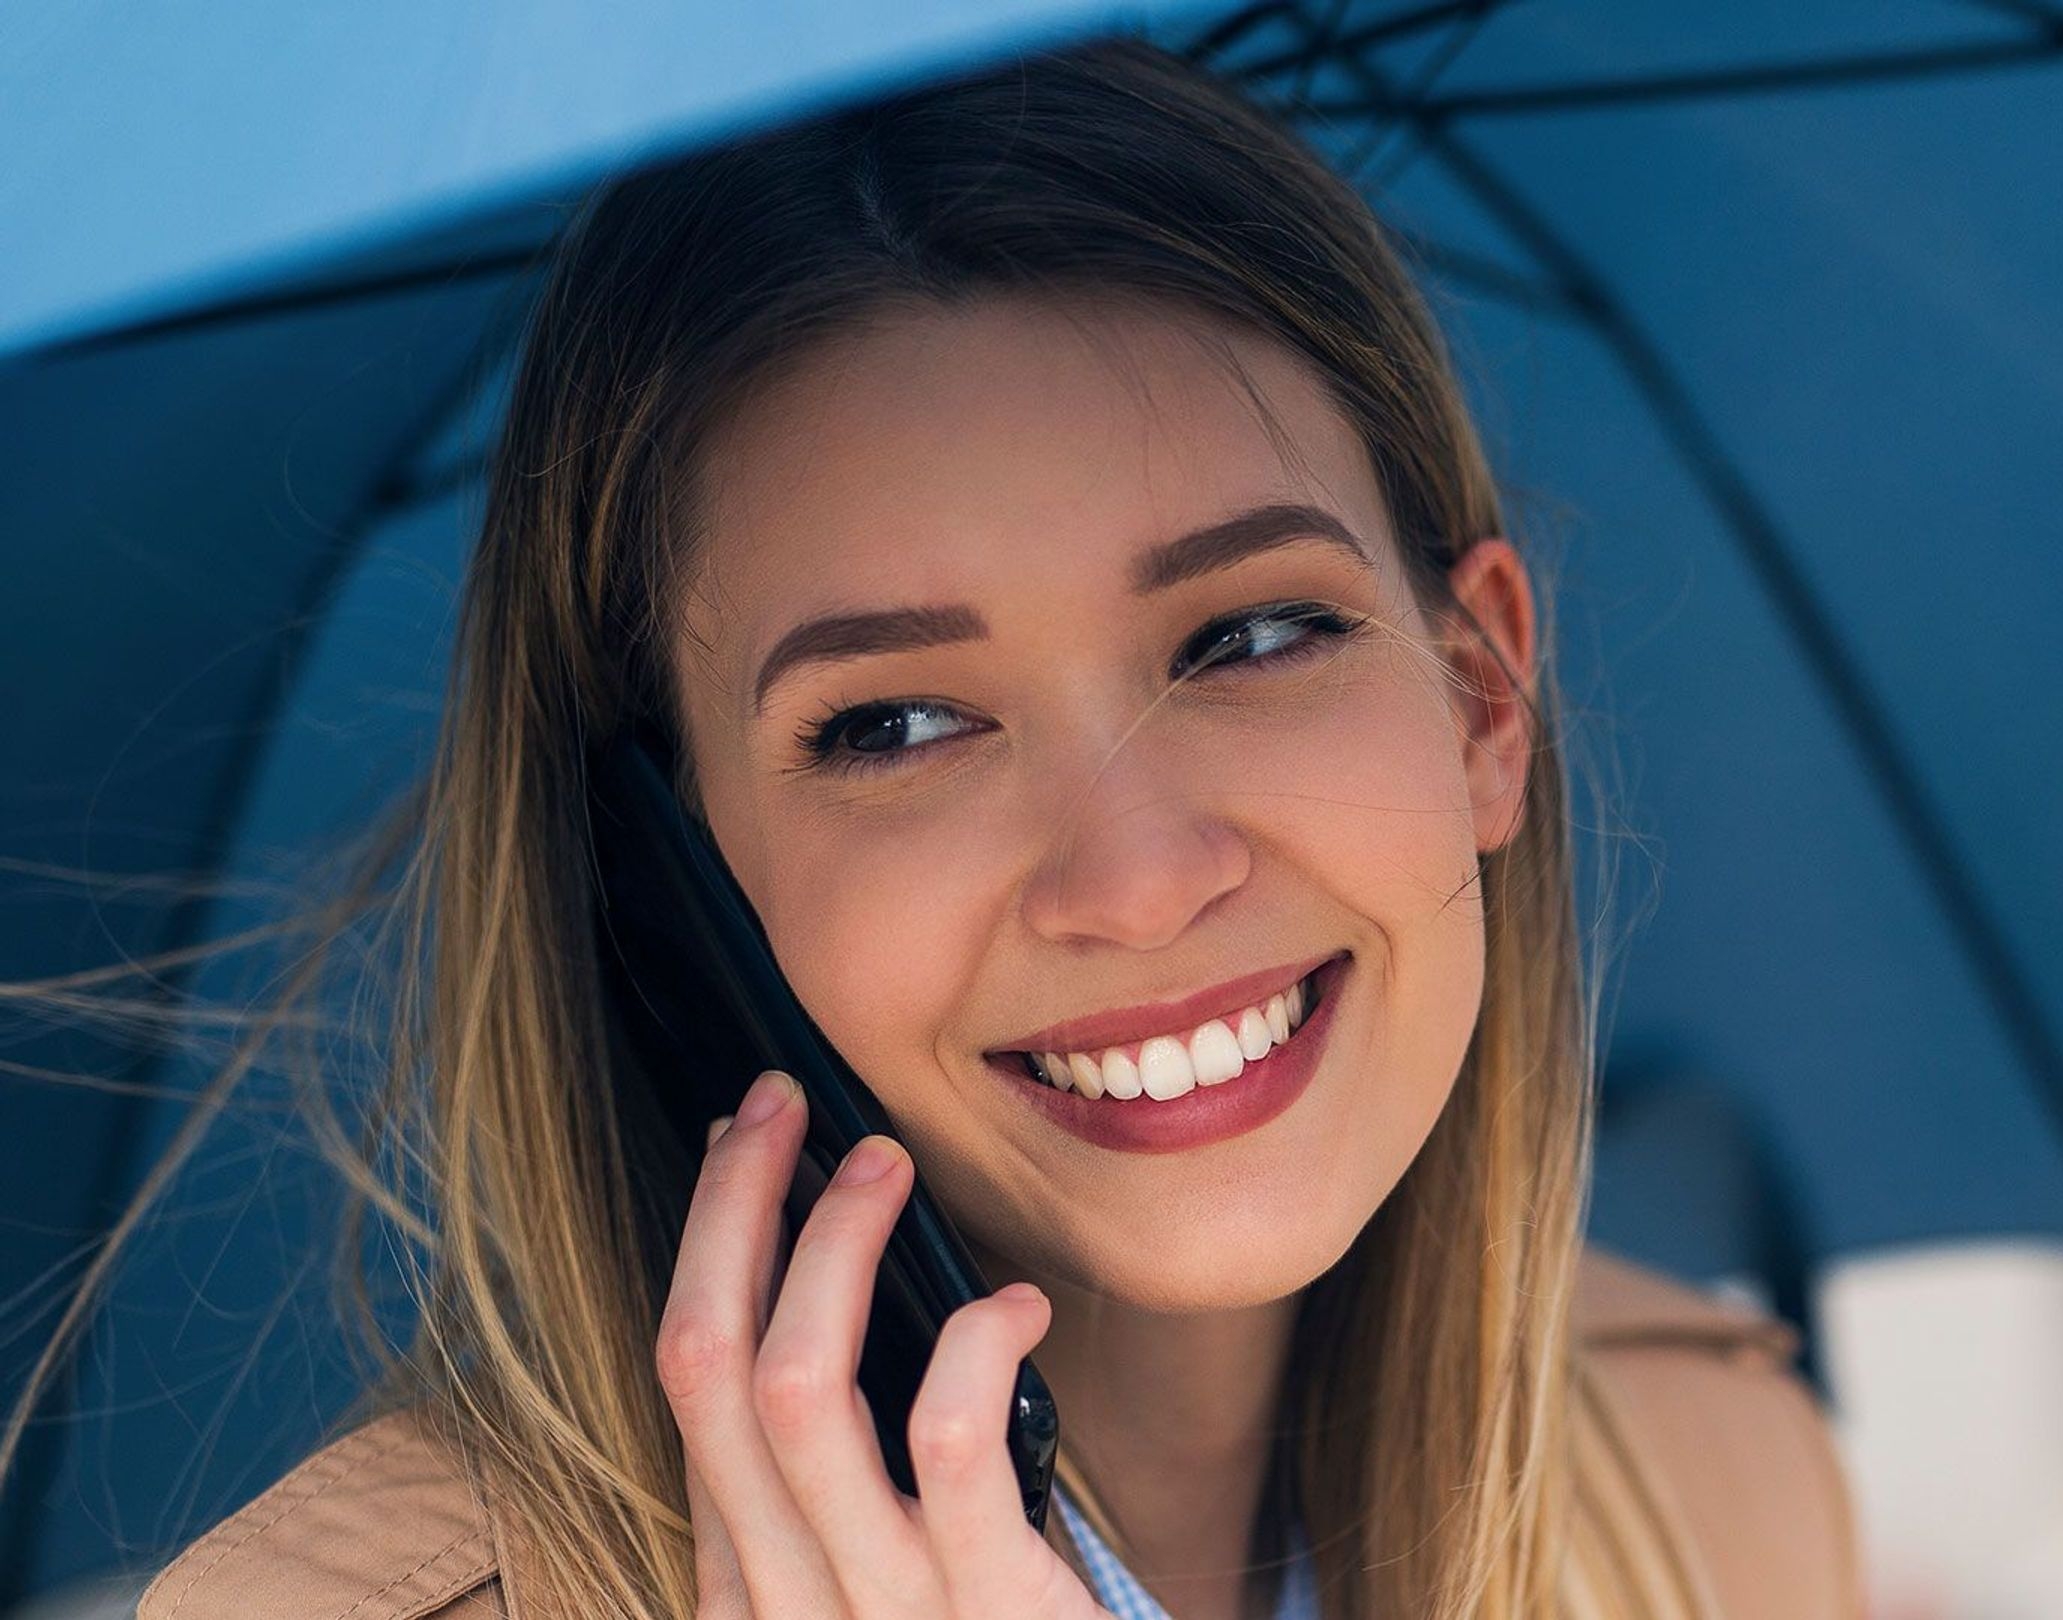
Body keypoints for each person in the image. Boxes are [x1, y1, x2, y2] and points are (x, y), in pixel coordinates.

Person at [88, 33, 1860, 1620]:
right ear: (669, 888)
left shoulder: (1720, 1487)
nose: (1140, 881)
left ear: (1479, 700)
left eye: (1250, 635)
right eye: (895, 726)